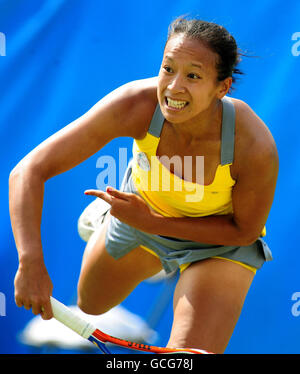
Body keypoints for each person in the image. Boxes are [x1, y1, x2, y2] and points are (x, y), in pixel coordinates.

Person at [9, 17, 279, 354]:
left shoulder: (254, 145)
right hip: (140, 219)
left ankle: (152, 248)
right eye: (168, 68)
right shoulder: (136, 104)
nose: (173, 87)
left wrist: (150, 222)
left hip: (218, 243)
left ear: (221, 88)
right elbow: (28, 171)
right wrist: (30, 263)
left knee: (188, 356)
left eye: (193, 75)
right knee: (90, 303)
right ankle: (112, 220)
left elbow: (243, 232)